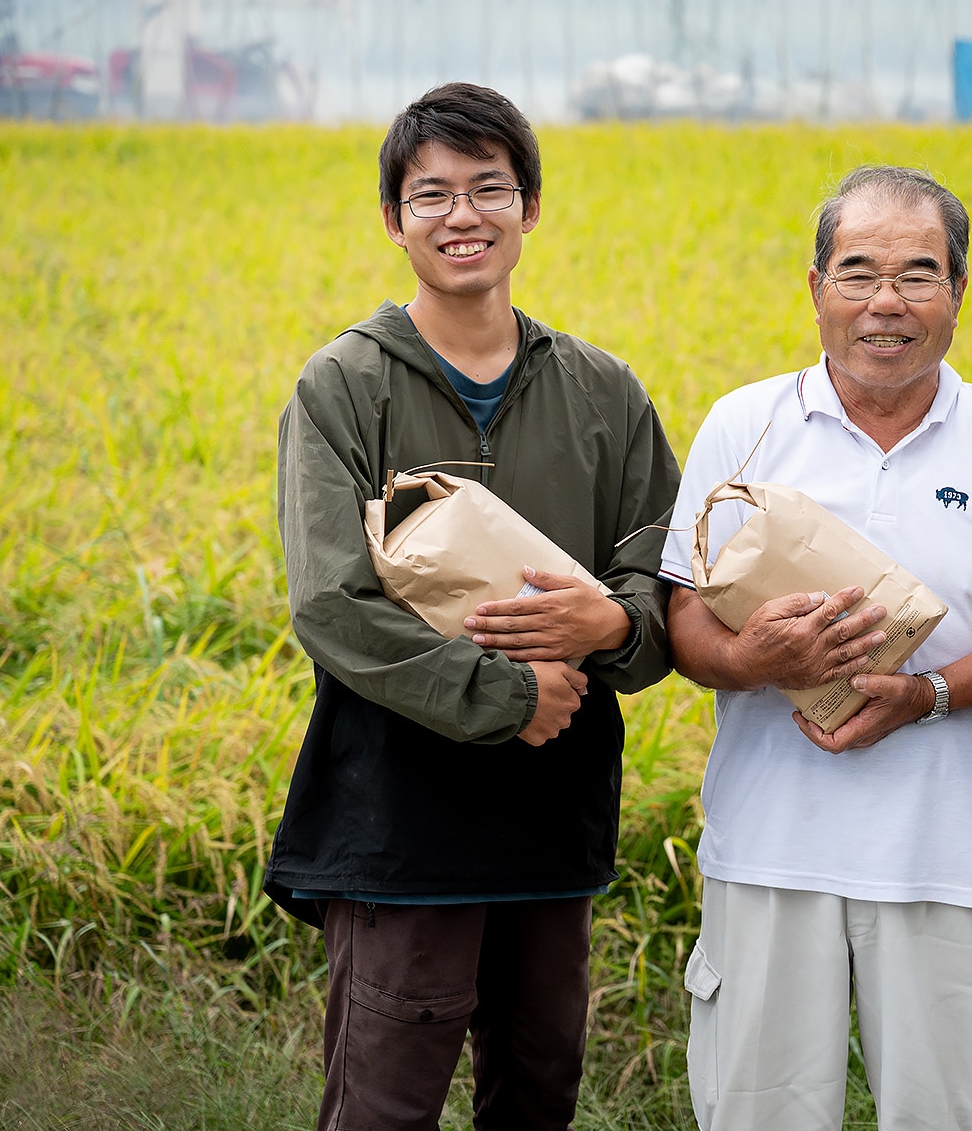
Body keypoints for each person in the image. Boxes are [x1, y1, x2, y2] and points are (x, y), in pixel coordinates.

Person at [262, 82, 680, 1131]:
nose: (463, 216)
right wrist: (506, 694)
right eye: (432, 194)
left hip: (554, 808)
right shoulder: (345, 385)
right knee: (387, 1092)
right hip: (400, 810)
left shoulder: (600, 389)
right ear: (394, 219)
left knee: (539, 1082)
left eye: (490, 189)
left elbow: (662, 571)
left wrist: (612, 626)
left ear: (529, 208)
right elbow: (332, 599)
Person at [659, 166, 972, 1131]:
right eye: (857, 273)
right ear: (815, 286)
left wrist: (926, 694)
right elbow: (681, 614)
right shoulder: (745, 424)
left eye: (918, 274)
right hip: (771, 855)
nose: (886, 303)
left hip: (954, 858)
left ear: (959, 290)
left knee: (960, 1118)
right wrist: (749, 663)